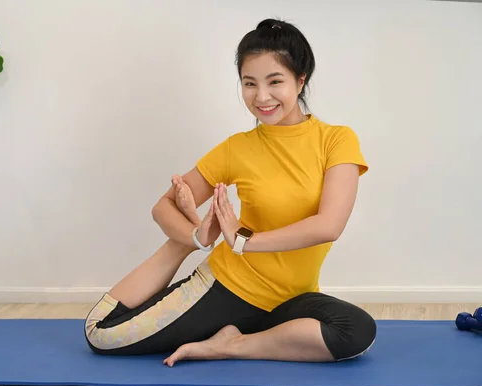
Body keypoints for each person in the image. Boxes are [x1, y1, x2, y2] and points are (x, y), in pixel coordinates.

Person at [84, 18, 377, 367]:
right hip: (228, 289)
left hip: (289, 300)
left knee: (356, 330)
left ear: (301, 81)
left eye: (275, 81)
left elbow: (329, 225)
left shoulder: (337, 140)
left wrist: (243, 239)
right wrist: (193, 237)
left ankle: (231, 345)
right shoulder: (236, 149)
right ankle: (185, 257)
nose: (261, 96)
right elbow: (163, 206)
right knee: (101, 333)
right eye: (249, 83)